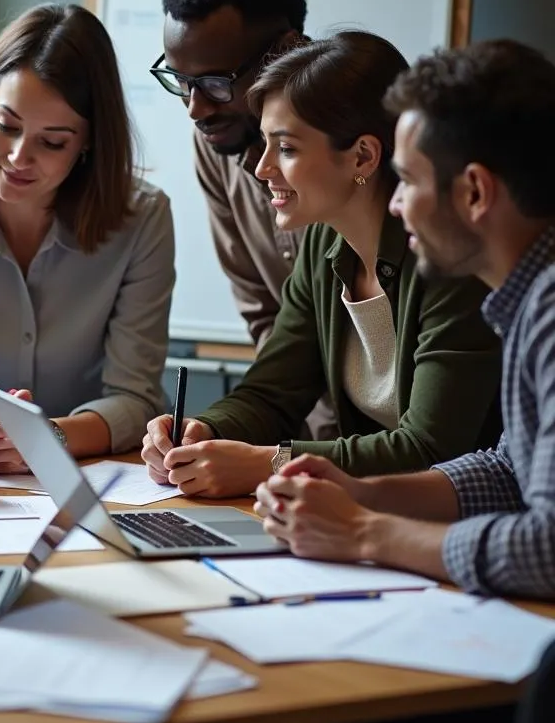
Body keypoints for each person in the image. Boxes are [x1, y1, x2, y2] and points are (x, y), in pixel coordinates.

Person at [253, 39, 555, 602]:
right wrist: (361, 491)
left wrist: (365, 531)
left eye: (409, 181)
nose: (397, 205)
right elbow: (506, 472)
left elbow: (548, 549)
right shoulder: (528, 300)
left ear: (473, 193)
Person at [142, 31, 502, 497]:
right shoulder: (322, 245)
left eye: (286, 148)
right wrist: (202, 432)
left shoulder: (450, 262)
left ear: (363, 155)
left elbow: (431, 447)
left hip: (462, 523)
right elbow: (272, 393)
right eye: (266, 145)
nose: (262, 168)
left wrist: (270, 463)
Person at [0, 3, 174, 468]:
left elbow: (135, 396)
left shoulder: (143, 217)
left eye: (52, 141)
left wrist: (47, 439)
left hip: (95, 471)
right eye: (6, 126)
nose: (19, 156)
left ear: (89, 142)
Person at [159, 0, 338, 440]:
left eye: (216, 83)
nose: (196, 108)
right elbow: (267, 323)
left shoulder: (351, 150)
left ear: (286, 51)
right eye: (180, 82)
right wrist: (215, 433)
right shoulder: (216, 143)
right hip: (303, 440)